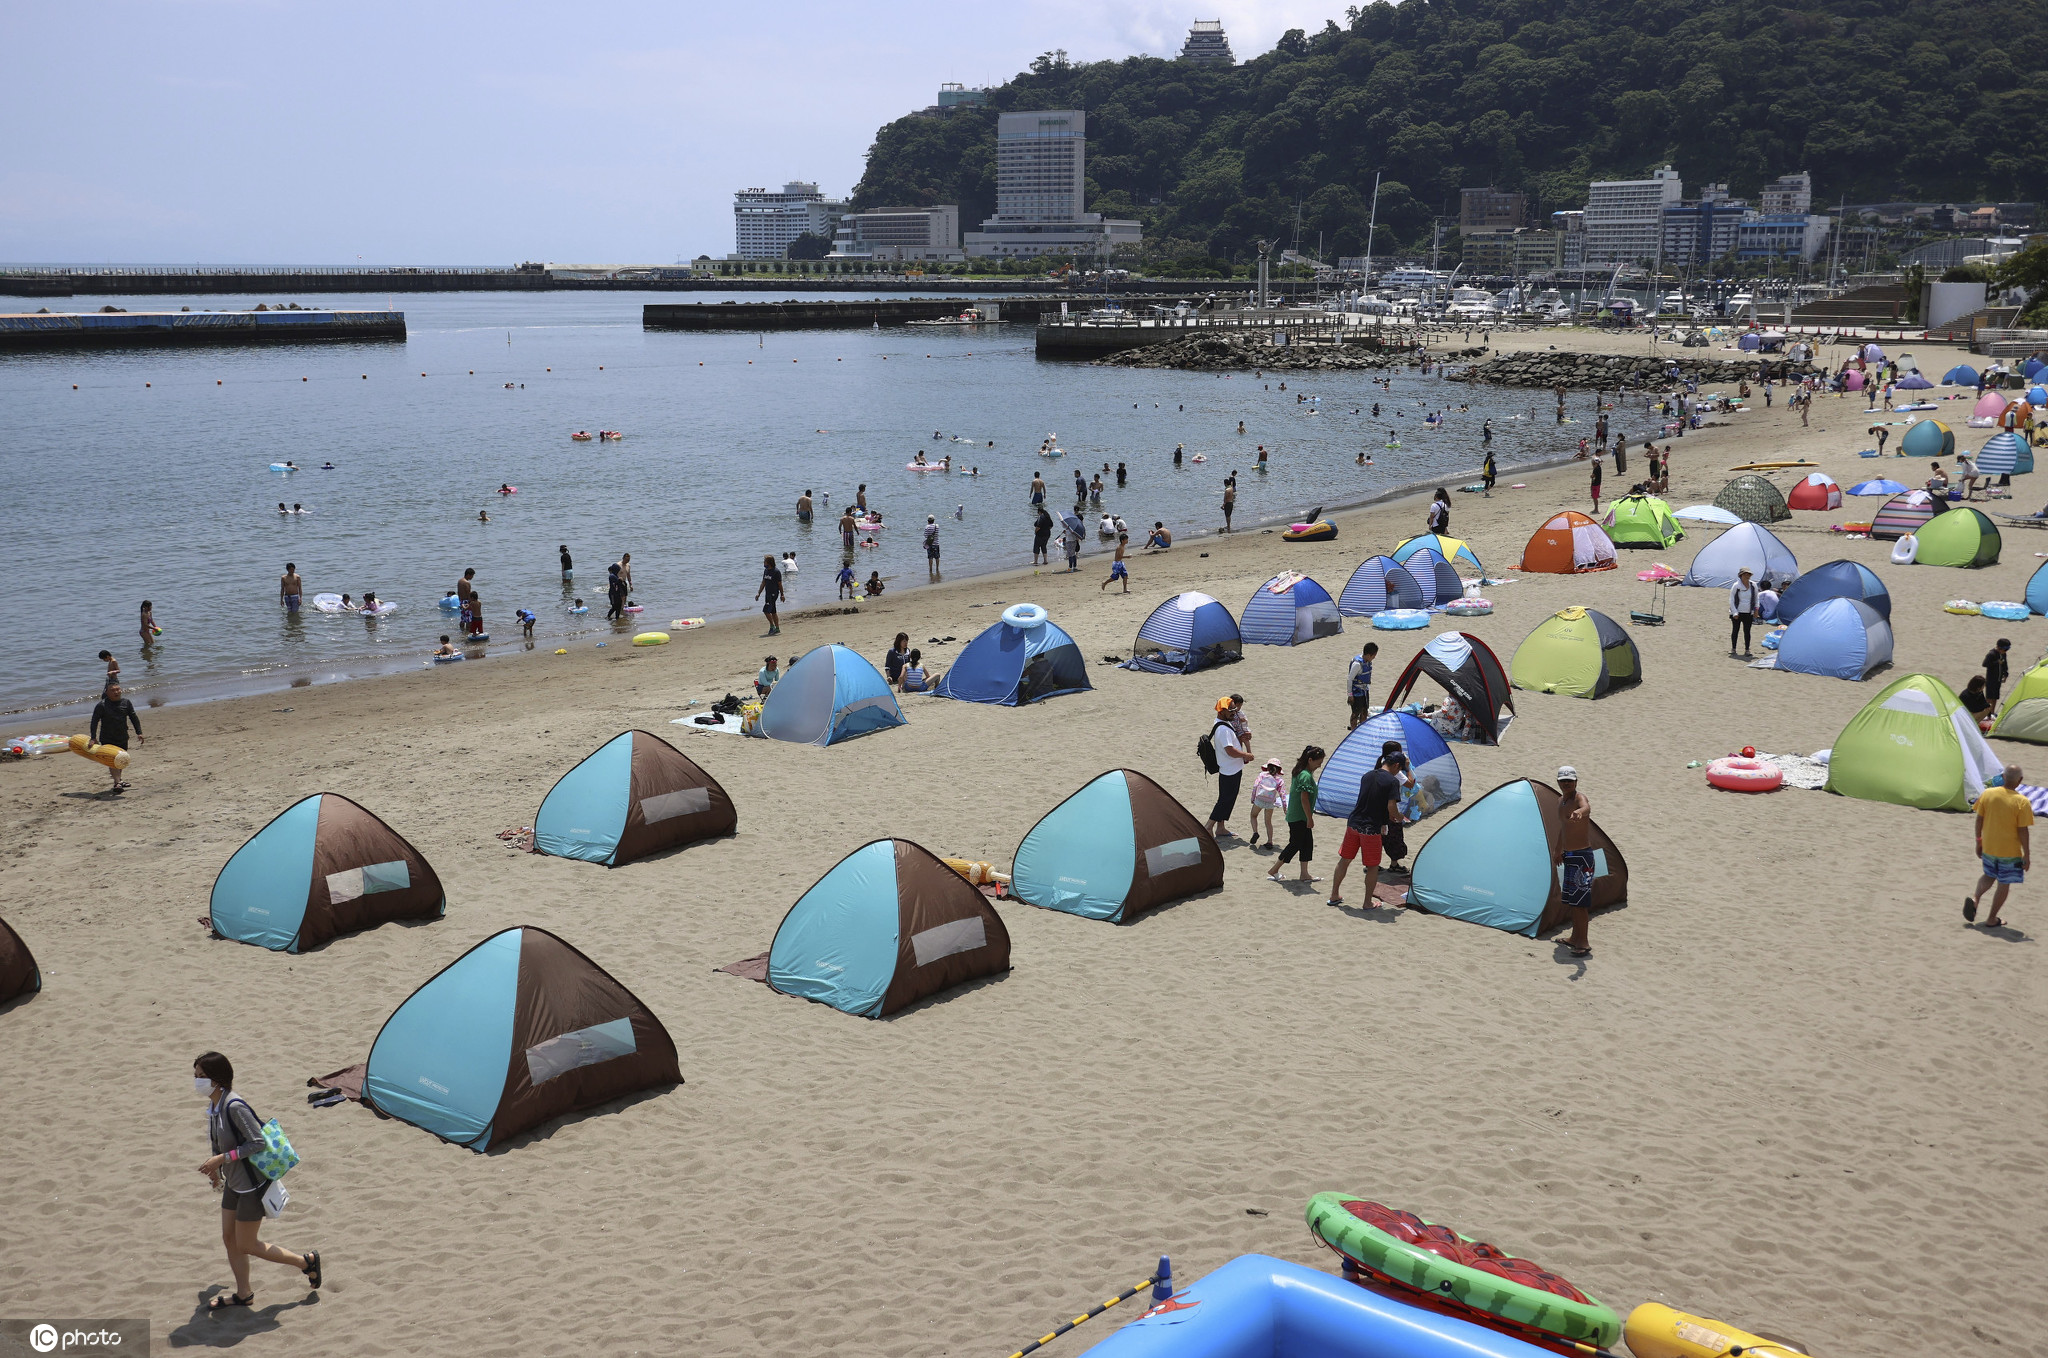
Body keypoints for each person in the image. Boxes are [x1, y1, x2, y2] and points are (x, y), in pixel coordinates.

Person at [193, 1051, 321, 1310]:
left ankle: (305, 1262)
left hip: (252, 1186)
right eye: (196, 1076)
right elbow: (221, 1144)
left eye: (202, 1077)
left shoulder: (234, 1106)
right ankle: (244, 1294)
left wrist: (222, 1159)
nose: (197, 1081)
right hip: (234, 1182)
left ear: (217, 1079)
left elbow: (257, 1142)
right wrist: (217, 1172)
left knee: (247, 1244)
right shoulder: (215, 1107)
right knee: (229, 1238)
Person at [1327, 750, 1402, 909]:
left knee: (1345, 860)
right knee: (1372, 866)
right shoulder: (1392, 781)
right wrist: (1398, 816)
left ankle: (1334, 894)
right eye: (1399, 769)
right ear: (1396, 765)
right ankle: (1367, 902)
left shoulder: (1367, 775)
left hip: (1354, 823)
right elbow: (1391, 806)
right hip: (1371, 828)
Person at [1967, 763, 2032, 929]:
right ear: (2020, 780)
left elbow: (1979, 819)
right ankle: (1991, 918)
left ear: (2003, 777)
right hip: (2009, 852)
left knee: (1988, 875)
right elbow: (2022, 830)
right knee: (2004, 884)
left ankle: (1975, 899)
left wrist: (1978, 841)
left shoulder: (1988, 794)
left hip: (1989, 846)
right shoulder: (2022, 802)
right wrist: (2027, 855)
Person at [1551, 766, 1598, 956]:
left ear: (1576, 782)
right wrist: (1557, 849)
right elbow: (1563, 827)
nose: (1566, 784)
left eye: (1570, 781)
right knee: (1572, 901)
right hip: (1569, 856)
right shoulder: (1560, 801)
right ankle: (1574, 937)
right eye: (1563, 781)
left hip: (1582, 856)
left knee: (1581, 903)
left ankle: (1583, 942)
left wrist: (1581, 812)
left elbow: (1586, 806)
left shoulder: (1579, 798)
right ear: (1558, 783)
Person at [1266, 745, 1325, 884]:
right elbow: (1304, 799)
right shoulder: (1304, 775)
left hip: (1298, 815)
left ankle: (1304, 874)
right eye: (1319, 763)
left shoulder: (1301, 771)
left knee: (1307, 844)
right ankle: (1274, 870)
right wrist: (1310, 818)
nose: (1319, 766)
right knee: (1295, 844)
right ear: (1310, 760)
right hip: (1300, 816)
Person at [1205, 697, 1249, 841]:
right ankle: (1208, 826)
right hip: (1229, 770)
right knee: (1225, 800)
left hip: (1231, 768)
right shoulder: (1223, 729)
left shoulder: (1223, 723)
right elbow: (1230, 750)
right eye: (1230, 710)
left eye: (1234, 709)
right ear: (1222, 711)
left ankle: (1221, 828)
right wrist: (1247, 755)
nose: (1234, 713)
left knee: (1227, 799)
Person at [90, 682, 142, 792]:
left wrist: (139, 732)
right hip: (107, 738)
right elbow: (94, 721)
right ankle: (117, 782)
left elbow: (133, 717)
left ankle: (118, 781)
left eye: (118, 689)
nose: (116, 692)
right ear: (107, 692)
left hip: (122, 736)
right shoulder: (102, 705)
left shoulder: (126, 703)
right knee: (112, 760)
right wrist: (93, 737)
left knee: (121, 760)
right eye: (113, 690)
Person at [1247, 758, 1285, 847]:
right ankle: (1270, 841)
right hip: (1270, 802)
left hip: (1259, 799)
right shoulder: (1279, 780)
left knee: (1253, 816)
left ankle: (1255, 832)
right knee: (1268, 822)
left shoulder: (1262, 775)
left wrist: (1253, 798)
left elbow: (1255, 786)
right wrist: (1285, 808)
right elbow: (1282, 795)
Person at [1347, 643, 1378, 730]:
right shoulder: (1357, 664)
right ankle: (1353, 730)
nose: (1374, 658)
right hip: (1356, 692)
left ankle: (1361, 730)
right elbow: (1349, 679)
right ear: (1368, 655)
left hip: (1364, 690)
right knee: (1355, 713)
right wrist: (1350, 695)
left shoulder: (1368, 662)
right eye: (1373, 656)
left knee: (1365, 711)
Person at [1729, 567, 1758, 656]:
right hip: (1737, 611)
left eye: (1749, 574)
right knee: (1735, 630)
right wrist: (1735, 612)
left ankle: (1747, 649)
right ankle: (1733, 648)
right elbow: (1731, 600)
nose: (1747, 576)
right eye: (1745, 574)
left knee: (1747, 631)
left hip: (1748, 612)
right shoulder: (1736, 585)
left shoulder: (1753, 585)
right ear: (1741, 575)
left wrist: (1756, 609)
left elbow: (1756, 598)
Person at [755, 553, 783, 635]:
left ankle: (772, 626)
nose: (764, 563)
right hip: (767, 593)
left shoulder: (776, 572)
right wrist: (759, 593)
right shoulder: (766, 571)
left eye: (765, 561)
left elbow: (780, 584)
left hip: (773, 594)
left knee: (766, 610)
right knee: (773, 611)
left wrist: (782, 594)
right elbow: (763, 583)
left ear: (769, 562)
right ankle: (777, 628)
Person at [1987, 638, 2013, 705]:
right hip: (1991, 679)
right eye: (2004, 650)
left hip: (1998, 679)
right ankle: (1986, 713)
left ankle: (1992, 712)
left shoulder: (2003, 654)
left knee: (1995, 697)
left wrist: (2006, 674)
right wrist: (1997, 662)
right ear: (1998, 647)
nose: (2006, 651)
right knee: (1989, 697)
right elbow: (1985, 664)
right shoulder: (1991, 654)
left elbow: (2005, 665)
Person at [923, 515, 942, 581]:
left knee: (930, 557)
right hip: (936, 543)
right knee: (937, 557)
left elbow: (925, 535)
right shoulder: (937, 526)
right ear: (934, 520)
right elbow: (937, 534)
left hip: (929, 544)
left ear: (928, 520)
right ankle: (937, 568)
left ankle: (930, 569)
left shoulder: (927, 527)